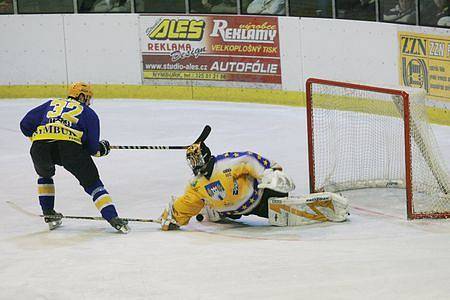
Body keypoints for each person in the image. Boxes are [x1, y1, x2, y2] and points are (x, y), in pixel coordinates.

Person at [158, 142, 349, 231]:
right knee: (213, 212)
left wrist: (267, 173)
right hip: (237, 212)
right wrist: (174, 215)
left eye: (196, 159)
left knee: (282, 214)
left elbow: (249, 160)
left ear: (206, 156)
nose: (195, 165)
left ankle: (327, 205)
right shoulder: (196, 183)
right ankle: (215, 210)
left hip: (261, 198)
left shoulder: (226, 163)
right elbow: (189, 202)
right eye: (191, 162)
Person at [20, 82, 130, 233]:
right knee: (93, 184)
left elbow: (25, 125)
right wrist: (102, 149)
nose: (89, 102)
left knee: (44, 174)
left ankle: (49, 213)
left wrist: (39, 137)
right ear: (81, 96)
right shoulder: (88, 113)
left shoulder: (51, 103)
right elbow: (92, 149)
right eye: (88, 98)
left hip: (40, 147)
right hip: (69, 149)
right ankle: (113, 218)